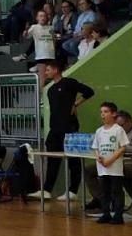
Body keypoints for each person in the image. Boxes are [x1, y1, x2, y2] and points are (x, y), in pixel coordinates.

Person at [32, 61, 93, 201]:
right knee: (53, 159)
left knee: (74, 160)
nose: (45, 72)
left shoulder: (69, 82)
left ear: (56, 69)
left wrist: (75, 104)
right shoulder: (51, 90)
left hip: (69, 127)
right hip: (55, 128)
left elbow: (89, 92)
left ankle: (73, 191)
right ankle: (47, 189)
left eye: (48, 70)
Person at [90, 103, 129, 225]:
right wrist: (98, 157)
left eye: (106, 111)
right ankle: (106, 213)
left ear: (113, 114)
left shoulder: (118, 130)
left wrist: (110, 160)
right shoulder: (99, 131)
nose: (103, 114)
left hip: (115, 167)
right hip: (102, 167)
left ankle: (118, 215)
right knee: (104, 191)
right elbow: (95, 147)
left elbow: (122, 147)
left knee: (116, 191)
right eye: (101, 112)